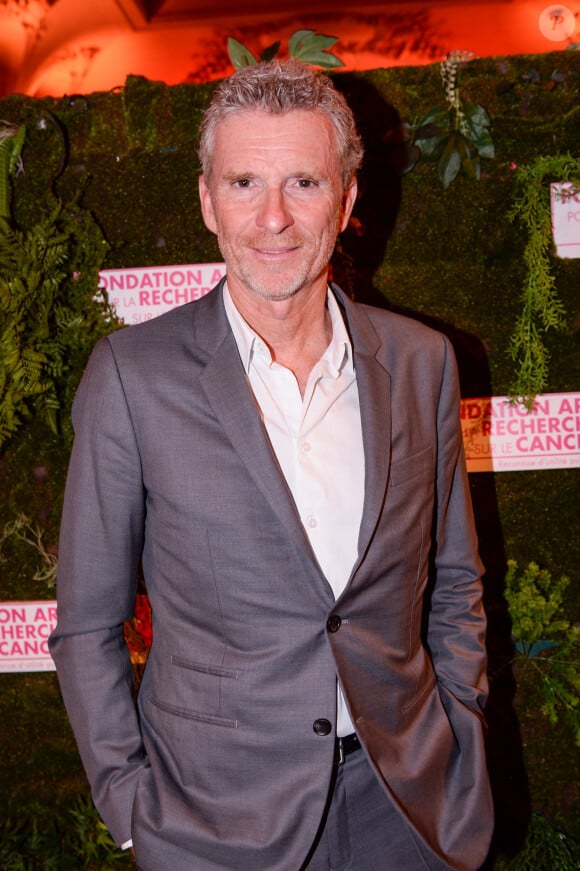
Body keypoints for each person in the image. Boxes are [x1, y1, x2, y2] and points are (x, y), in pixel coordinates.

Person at [49, 59, 493, 871]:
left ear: (348, 201)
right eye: (245, 182)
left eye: (304, 183)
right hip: (214, 825)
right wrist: (131, 808)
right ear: (207, 200)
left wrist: (459, 725)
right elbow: (85, 625)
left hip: (409, 807)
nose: (274, 218)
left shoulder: (424, 362)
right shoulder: (132, 377)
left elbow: (456, 578)